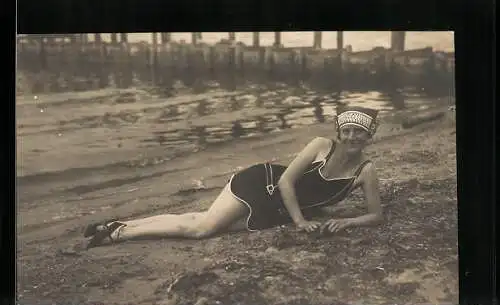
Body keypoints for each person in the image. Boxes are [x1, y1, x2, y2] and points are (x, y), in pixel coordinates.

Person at [84, 106, 384, 248]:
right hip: (262, 182)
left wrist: (345, 221)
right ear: (339, 133)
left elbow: (375, 216)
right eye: (347, 131)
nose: (352, 137)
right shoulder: (322, 145)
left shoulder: (365, 171)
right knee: (202, 229)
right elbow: (285, 182)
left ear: (369, 135)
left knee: (199, 218)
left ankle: (119, 224)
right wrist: (300, 222)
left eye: (359, 132)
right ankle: (118, 235)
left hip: (276, 206)